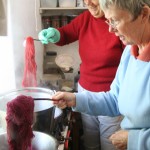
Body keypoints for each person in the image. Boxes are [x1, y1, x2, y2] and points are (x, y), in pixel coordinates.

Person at [52, 0, 150, 150]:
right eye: (108, 21)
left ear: (144, 14)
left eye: (115, 21)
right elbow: (115, 99)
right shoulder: (130, 52)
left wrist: (136, 139)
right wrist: (75, 99)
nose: (110, 30)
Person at [38, 0, 125, 149]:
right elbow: (66, 34)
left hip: (111, 95)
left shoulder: (121, 22)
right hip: (85, 91)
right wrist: (55, 34)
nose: (88, 3)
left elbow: (132, 59)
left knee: (110, 144)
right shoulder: (85, 18)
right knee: (90, 141)